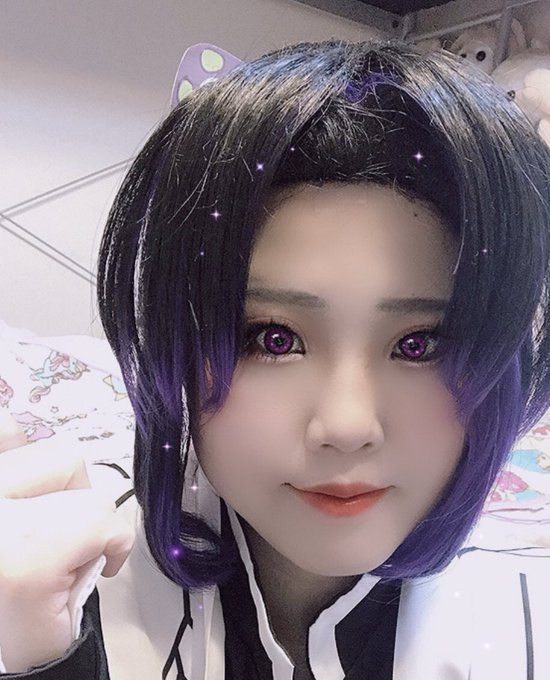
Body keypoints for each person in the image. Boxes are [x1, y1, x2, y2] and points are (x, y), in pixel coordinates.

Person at [1, 37, 550, 680]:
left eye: (419, 344)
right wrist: (40, 658)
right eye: (274, 339)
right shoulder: (63, 576)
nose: (346, 426)